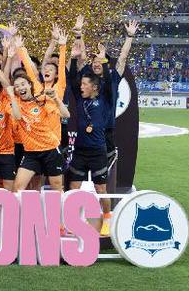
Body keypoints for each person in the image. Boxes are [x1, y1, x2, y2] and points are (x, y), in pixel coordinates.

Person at [8, 42, 70, 192]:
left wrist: (56, 99)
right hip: (31, 152)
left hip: (50, 148)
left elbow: (66, 115)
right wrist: (20, 48)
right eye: (17, 86)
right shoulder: (20, 100)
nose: (20, 88)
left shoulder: (44, 99)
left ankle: (59, 209)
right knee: (18, 187)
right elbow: (17, 116)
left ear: (29, 85)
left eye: (23, 84)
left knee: (56, 187)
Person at [68, 43, 115, 235]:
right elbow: (72, 79)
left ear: (94, 87)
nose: (81, 87)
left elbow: (109, 81)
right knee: (74, 187)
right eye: (81, 84)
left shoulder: (105, 98)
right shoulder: (80, 99)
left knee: (101, 189)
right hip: (80, 150)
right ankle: (73, 220)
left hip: (97, 151)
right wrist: (73, 59)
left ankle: (107, 218)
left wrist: (103, 60)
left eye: (85, 84)